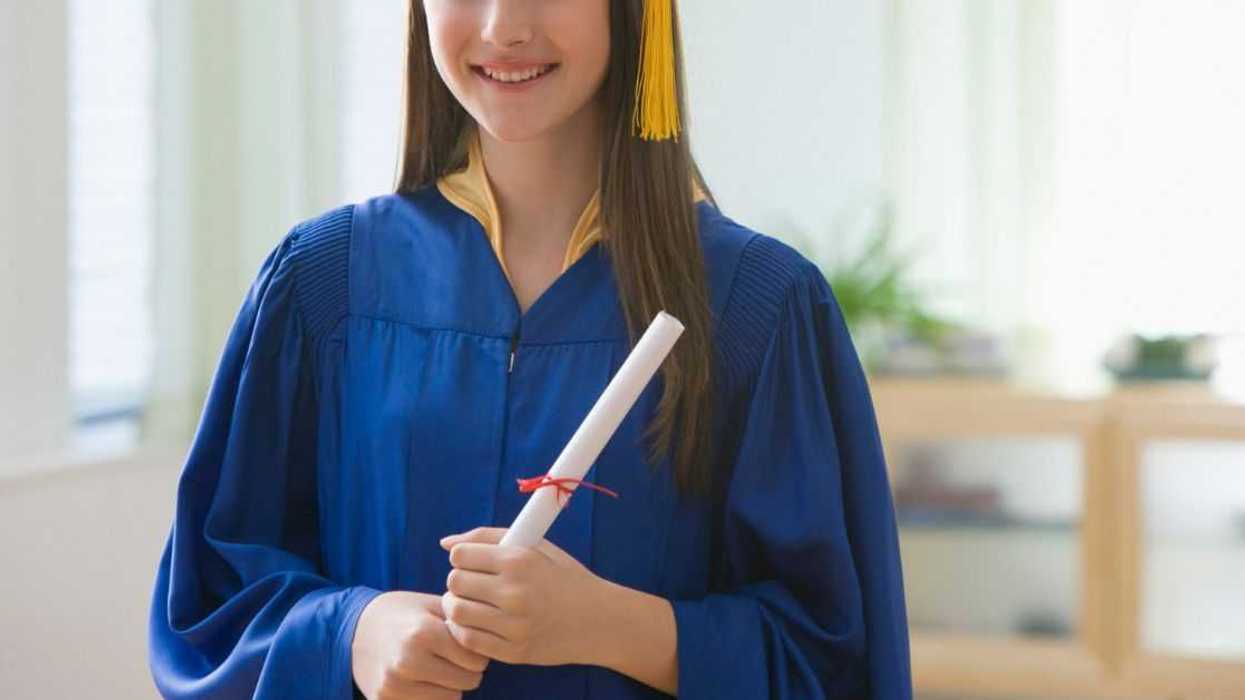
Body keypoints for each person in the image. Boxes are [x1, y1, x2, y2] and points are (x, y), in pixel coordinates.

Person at [146, 0, 913, 698]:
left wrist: (611, 625)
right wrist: (352, 630)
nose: (502, 26)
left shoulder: (756, 305)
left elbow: (833, 659)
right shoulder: (324, 286)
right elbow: (211, 605)